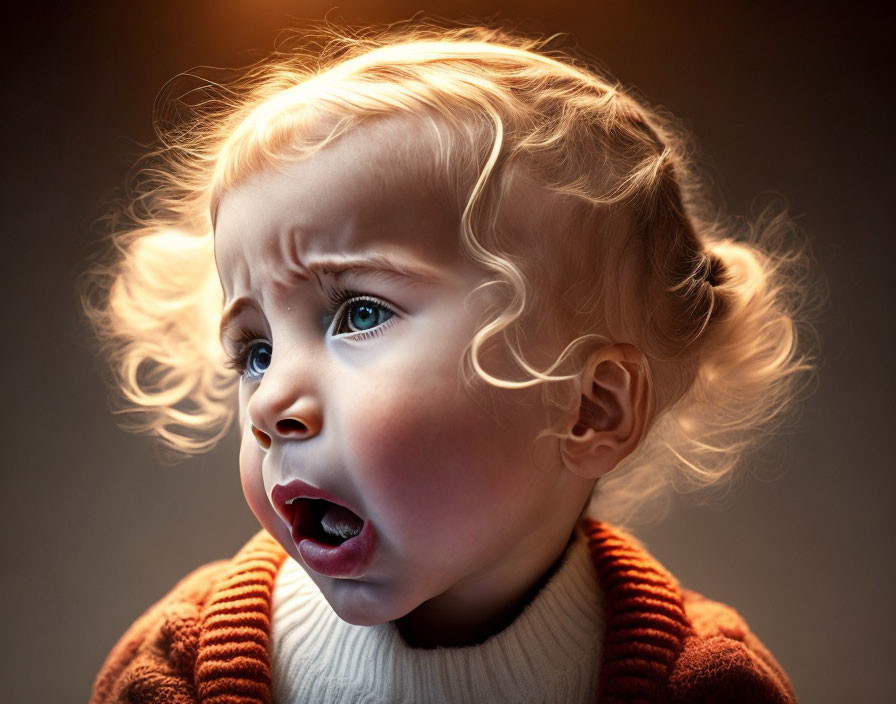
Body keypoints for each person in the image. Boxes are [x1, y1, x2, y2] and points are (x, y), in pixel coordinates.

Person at [85, 21, 814, 704]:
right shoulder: (175, 669)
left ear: (591, 407)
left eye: (359, 313)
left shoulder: (705, 684)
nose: (271, 403)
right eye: (256, 350)